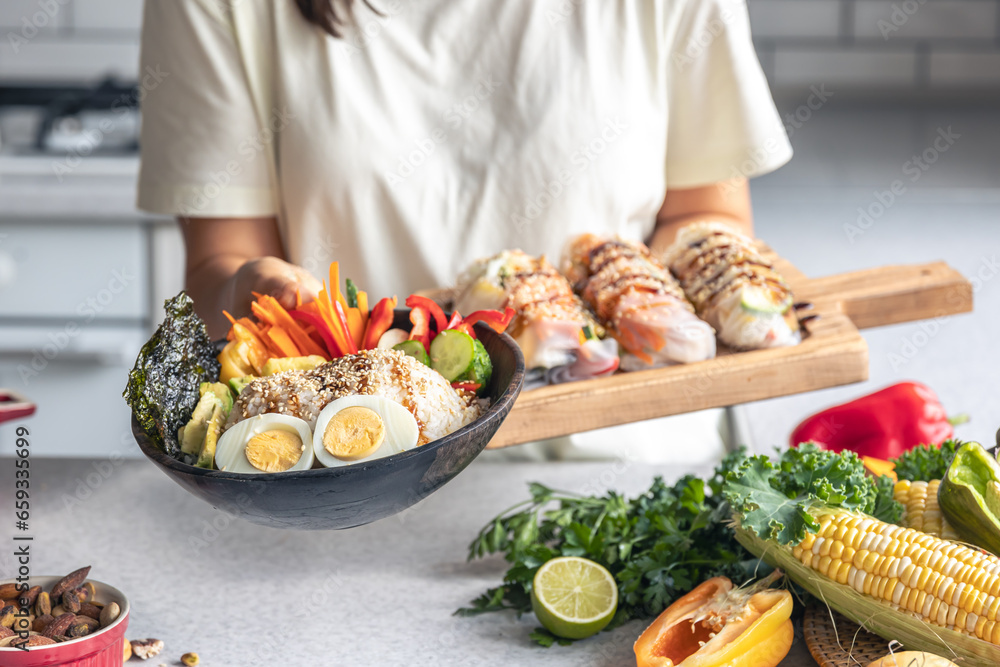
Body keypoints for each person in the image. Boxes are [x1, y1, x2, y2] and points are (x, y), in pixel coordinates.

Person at [137, 0, 791, 461]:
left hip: (637, 461)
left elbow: (707, 215)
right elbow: (220, 266)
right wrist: (255, 287)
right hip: (367, 474)